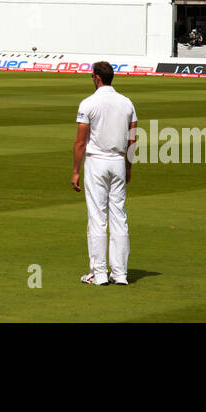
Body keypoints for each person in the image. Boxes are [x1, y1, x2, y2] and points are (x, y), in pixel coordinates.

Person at [71, 61, 137, 286]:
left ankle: (98, 274)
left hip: (97, 162)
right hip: (118, 161)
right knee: (119, 217)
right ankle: (120, 274)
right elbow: (133, 138)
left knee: (98, 218)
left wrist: (75, 171)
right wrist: (128, 167)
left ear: (97, 78)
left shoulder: (89, 103)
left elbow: (80, 142)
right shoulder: (127, 103)